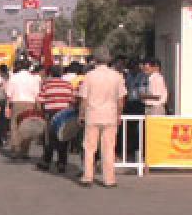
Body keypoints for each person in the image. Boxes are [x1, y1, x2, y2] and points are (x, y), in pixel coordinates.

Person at [78, 47, 127, 188]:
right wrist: (119, 114)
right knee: (109, 148)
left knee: (89, 147)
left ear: (95, 60)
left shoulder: (89, 76)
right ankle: (109, 179)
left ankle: (88, 177)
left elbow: (84, 99)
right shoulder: (117, 76)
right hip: (110, 115)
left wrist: (81, 115)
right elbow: (121, 100)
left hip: (92, 114)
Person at [34, 65, 76, 173]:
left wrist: (41, 113)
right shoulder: (68, 85)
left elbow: (40, 100)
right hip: (65, 114)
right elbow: (72, 100)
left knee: (49, 139)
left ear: (51, 74)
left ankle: (46, 162)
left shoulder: (47, 85)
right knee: (63, 138)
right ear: (61, 73)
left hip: (51, 114)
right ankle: (62, 163)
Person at [5, 60, 41, 158]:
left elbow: (8, 94)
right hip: (30, 103)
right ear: (29, 67)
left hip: (16, 102)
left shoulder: (13, 77)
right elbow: (37, 94)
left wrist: (7, 107)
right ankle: (25, 151)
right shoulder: (33, 78)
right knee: (27, 127)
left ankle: (15, 149)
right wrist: (38, 107)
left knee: (15, 126)